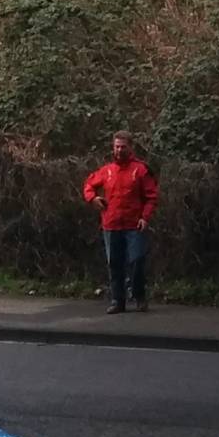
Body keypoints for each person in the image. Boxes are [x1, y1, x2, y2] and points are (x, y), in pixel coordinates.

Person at [81, 133, 159, 314]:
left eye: (123, 146)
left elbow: (151, 197)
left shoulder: (140, 170)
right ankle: (118, 300)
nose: (119, 150)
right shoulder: (107, 170)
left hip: (134, 224)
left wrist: (145, 217)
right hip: (112, 223)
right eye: (117, 146)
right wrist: (93, 198)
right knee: (114, 264)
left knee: (137, 261)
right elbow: (88, 185)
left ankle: (139, 296)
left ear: (130, 147)